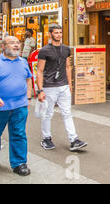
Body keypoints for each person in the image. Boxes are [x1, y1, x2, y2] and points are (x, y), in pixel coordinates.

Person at [36, 24, 87, 152]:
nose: (59, 35)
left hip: (63, 86)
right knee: (48, 114)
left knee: (67, 113)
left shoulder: (66, 49)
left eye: (60, 32)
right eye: (56, 33)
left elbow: (67, 67)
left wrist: (70, 84)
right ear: (50, 34)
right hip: (49, 87)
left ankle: (74, 139)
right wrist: (40, 89)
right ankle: (46, 138)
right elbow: (40, 71)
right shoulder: (44, 51)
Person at [0, 36, 33, 176]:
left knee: (19, 134)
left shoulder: (23, 61)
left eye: (18, 43)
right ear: (3, 46)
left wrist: (28, 97)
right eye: (12, 43)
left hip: (20, 106)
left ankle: (19, 163)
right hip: (1, 107)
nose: (16, 45)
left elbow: (28, 79)